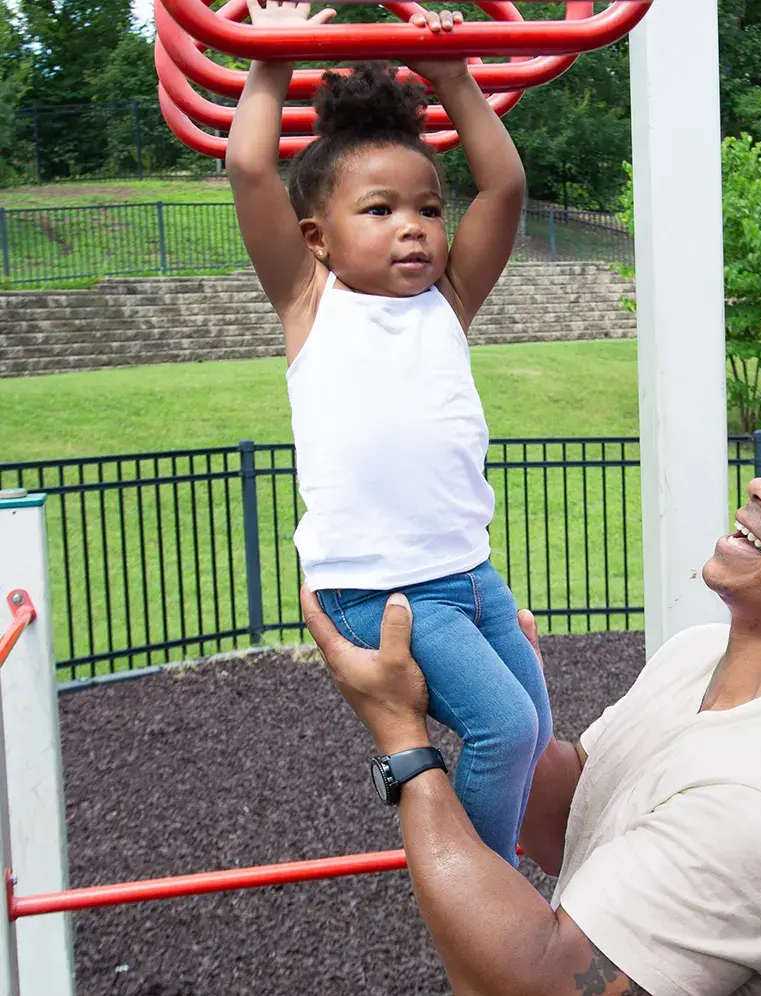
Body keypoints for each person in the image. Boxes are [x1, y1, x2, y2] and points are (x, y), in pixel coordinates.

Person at [301, 427, 761, 996]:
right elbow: (568, 823)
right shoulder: (699, 654)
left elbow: (538, 981)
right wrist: (513, 713)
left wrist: (404, 743)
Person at [226, 4, 550, 867]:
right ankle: (489, 898)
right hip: (381, 588)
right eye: (379, 210)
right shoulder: (312, 303)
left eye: (428, 208)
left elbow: (506, 189)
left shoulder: (448, 301)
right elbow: (250, 167)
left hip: (470, 573)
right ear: (317, 240)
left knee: (537, 727)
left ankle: (492, 859)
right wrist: (271, 56)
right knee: (507, 732)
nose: (413, 225)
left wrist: (453, 79)